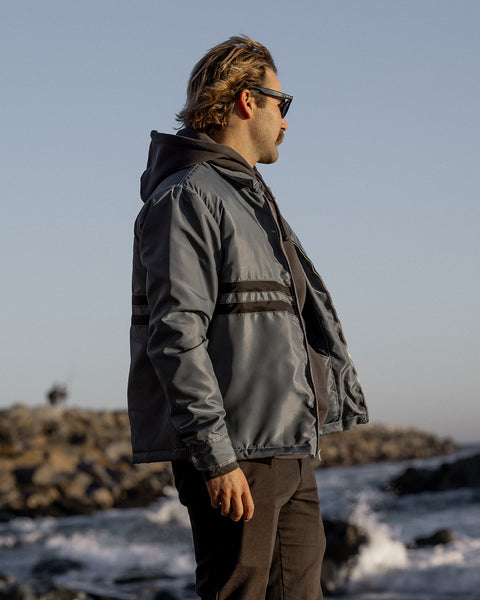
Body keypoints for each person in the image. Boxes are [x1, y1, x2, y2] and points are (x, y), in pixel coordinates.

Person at [127, 35, 368, 600]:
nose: (287, 122)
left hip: (288, 451)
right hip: (237, 459)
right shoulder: (188, 196)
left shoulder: (250, 199)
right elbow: (176, 334)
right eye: (282, 104)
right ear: (245, 100)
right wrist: (217, 458)